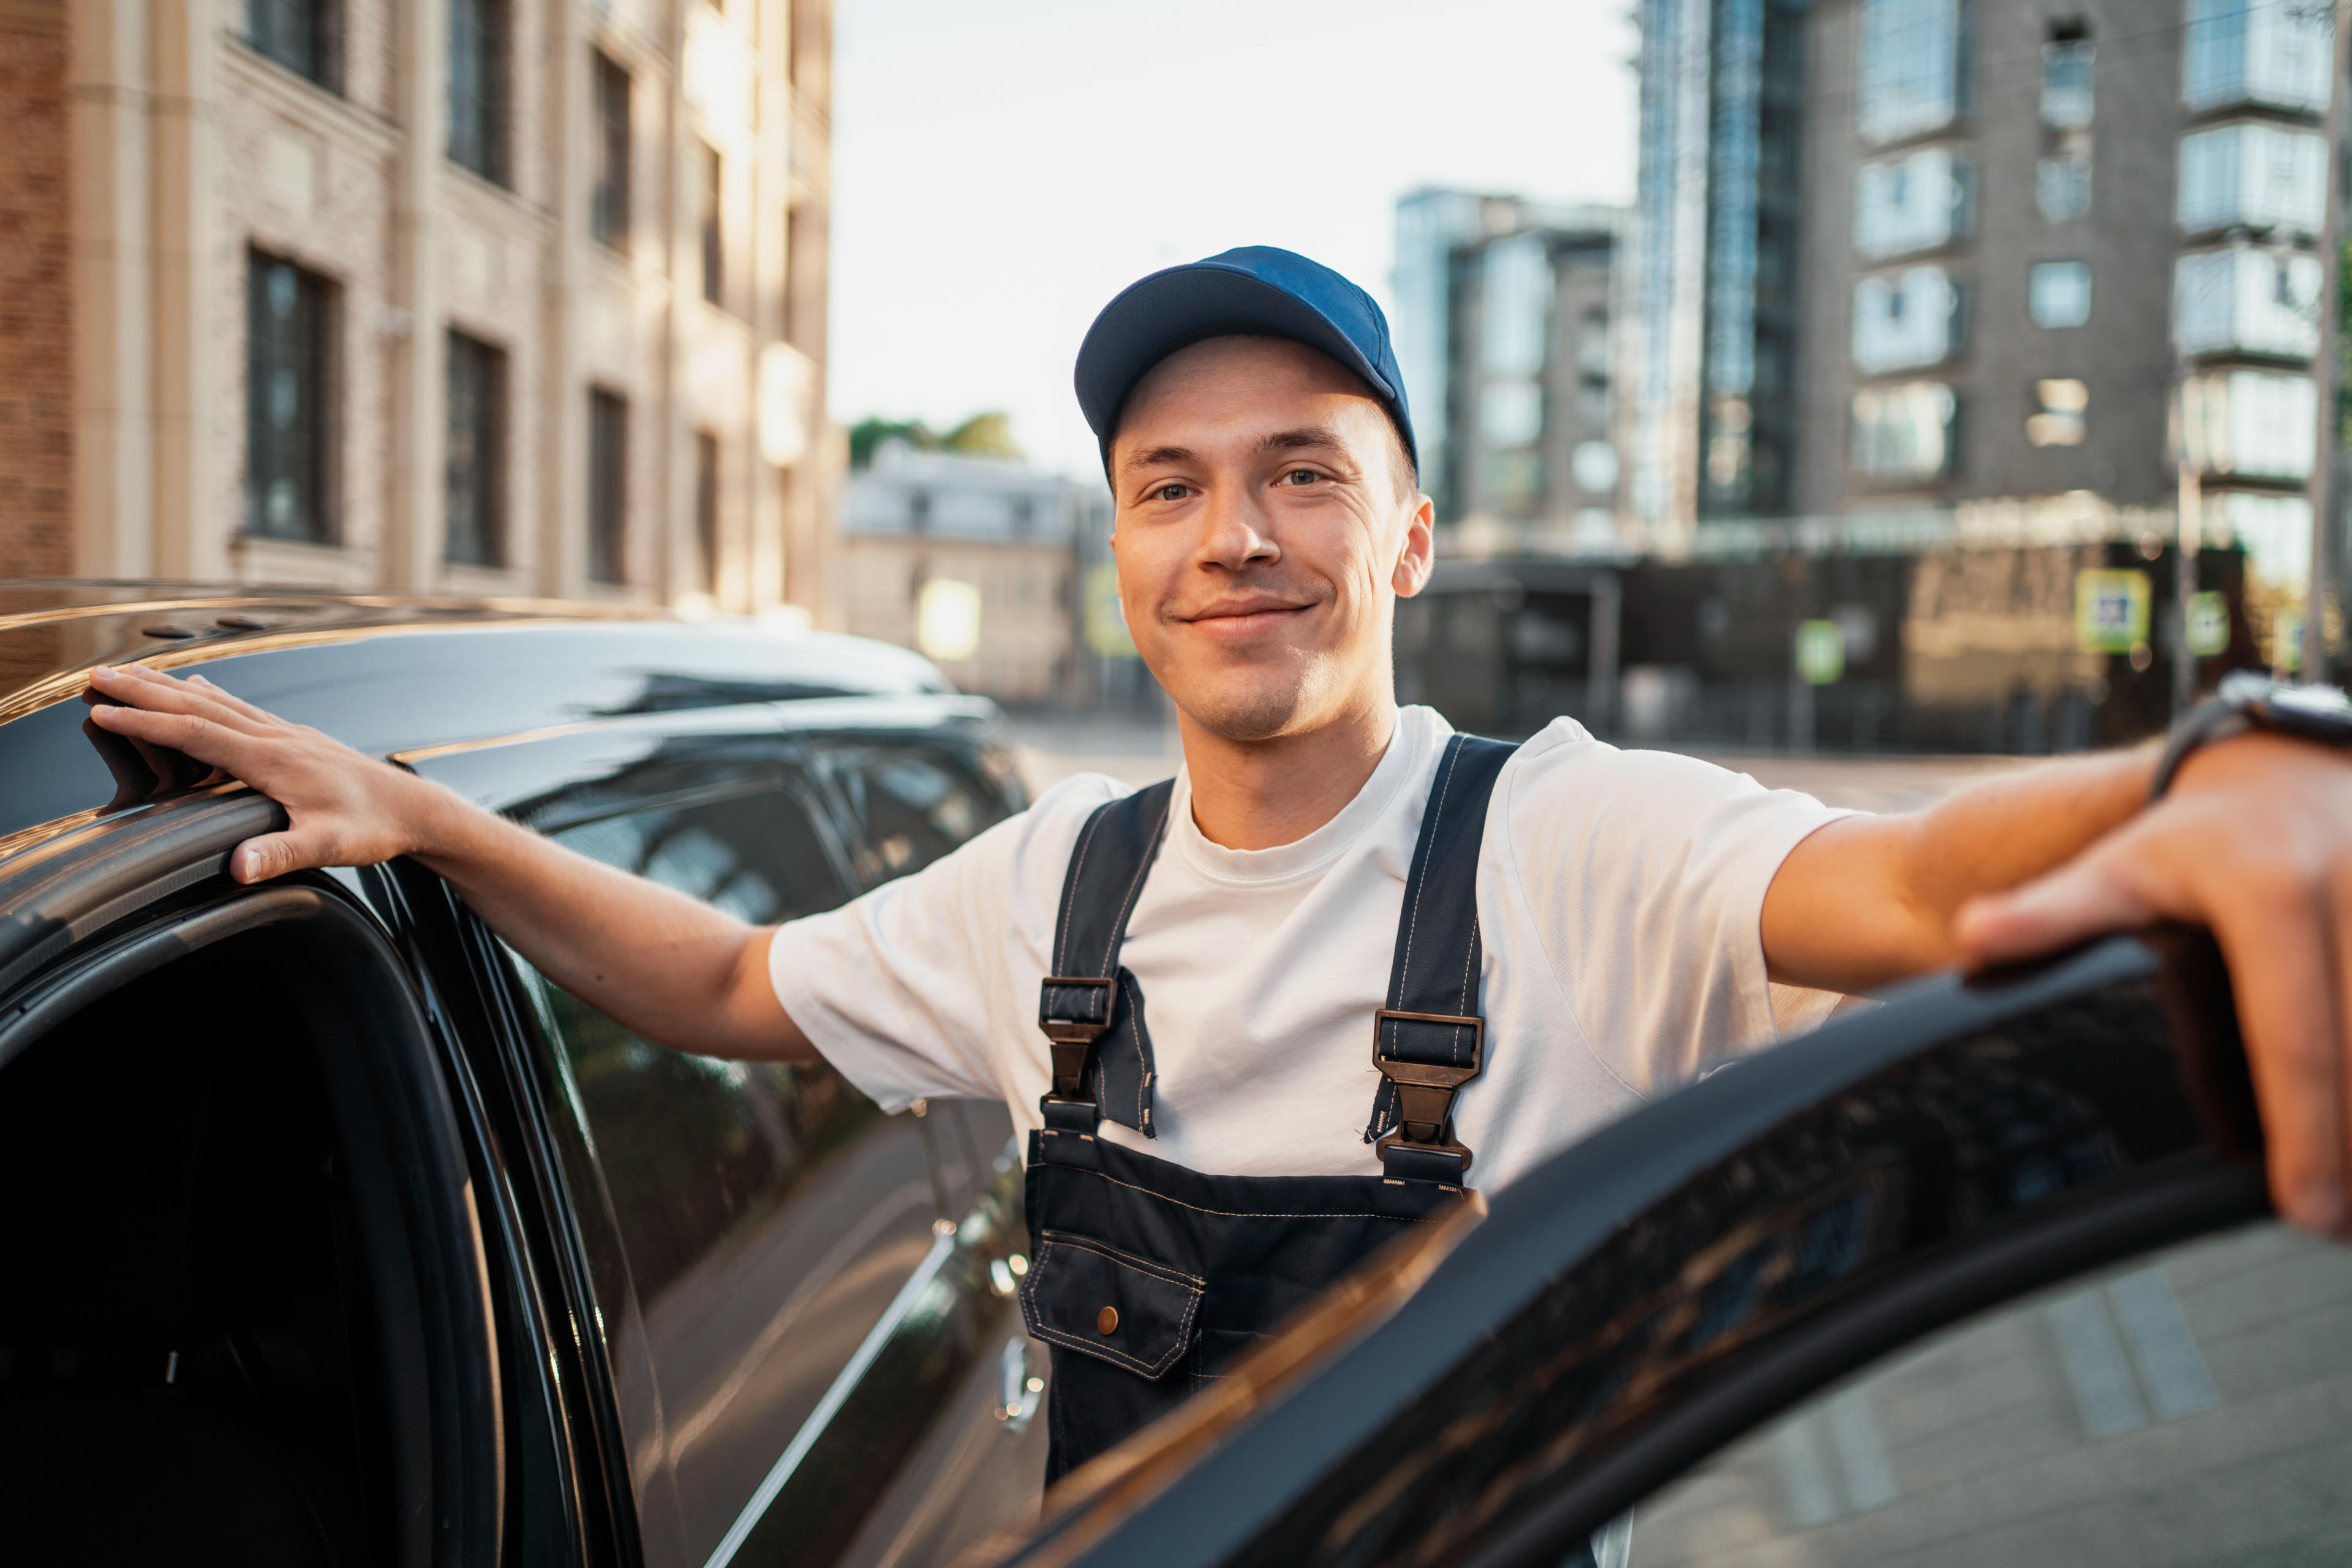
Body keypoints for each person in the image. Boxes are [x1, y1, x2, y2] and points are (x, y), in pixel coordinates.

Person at [85, 247, 2352, 1484]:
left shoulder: (1576, 837)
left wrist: (2230, 769)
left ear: (1413, 532)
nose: (1237, 534)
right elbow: (721, 988)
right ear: (1118, 550)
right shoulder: (1056, 883)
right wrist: (422, 815)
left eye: (1302, 471)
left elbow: (1936, 878)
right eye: (1170, 484)